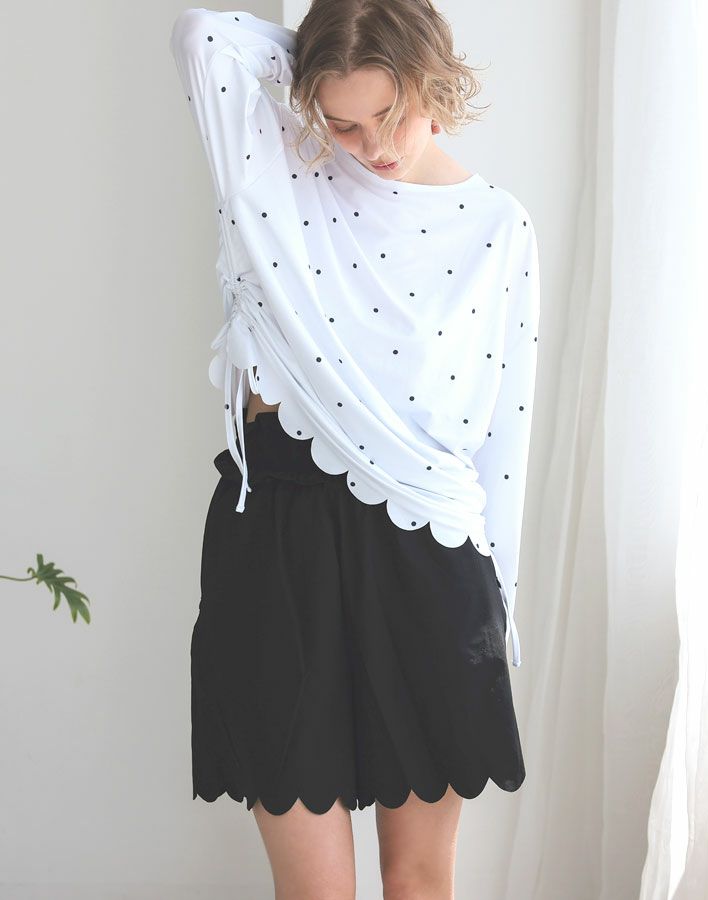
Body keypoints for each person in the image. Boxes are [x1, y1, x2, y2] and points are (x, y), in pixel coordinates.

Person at [169, 2, 540, 897]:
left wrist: (500, 603)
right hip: (277, 535)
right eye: (344, 121)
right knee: (314, 890)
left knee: (418, 881)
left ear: (436, 81)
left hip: (429, 549)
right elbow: (202, 37)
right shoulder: (284, 171)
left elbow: (503, 431)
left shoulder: (498, 227)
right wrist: (322, 56)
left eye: (394, 112)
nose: (372, 146)